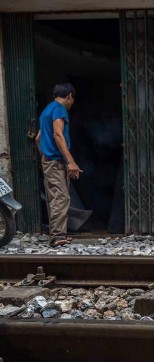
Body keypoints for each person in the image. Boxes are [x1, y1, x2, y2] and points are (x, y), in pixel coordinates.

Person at [35, 83, 82, 247]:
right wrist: (70, 161)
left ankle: (58, 232)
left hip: (49, 160)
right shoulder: (59, 109)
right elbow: (57, 134)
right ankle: (57, 236)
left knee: (54, 197)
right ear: (69, 95)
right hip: (56, 160)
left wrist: (45, 156)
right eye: (72, 100)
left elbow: (38, 138)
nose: (71, 104)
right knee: (61, 197)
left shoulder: (46, 110)